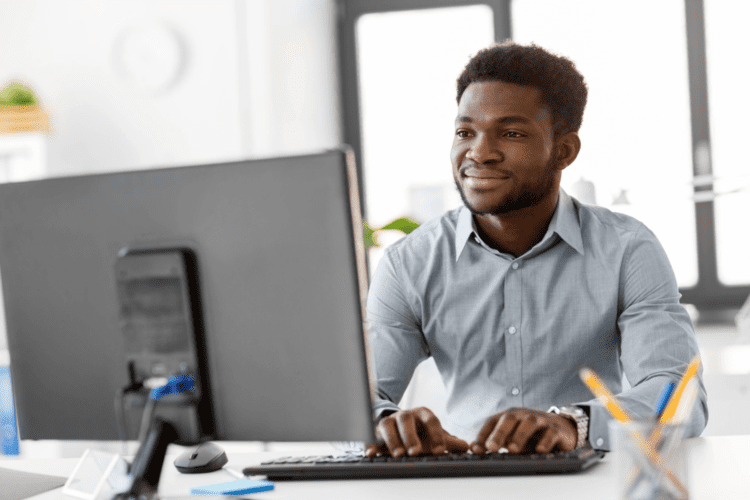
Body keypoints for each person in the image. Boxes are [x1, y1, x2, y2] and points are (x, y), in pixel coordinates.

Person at [364, 41, 708, 458]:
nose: (479, 152)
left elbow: (680, 397)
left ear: (563, 151)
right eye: (464, 132)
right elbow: (362, 396)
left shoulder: (627, 250)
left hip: (589, 484)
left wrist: (573, 424)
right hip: (465, 484)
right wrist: (385, 423)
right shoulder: (409, 263)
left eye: (511, 133)